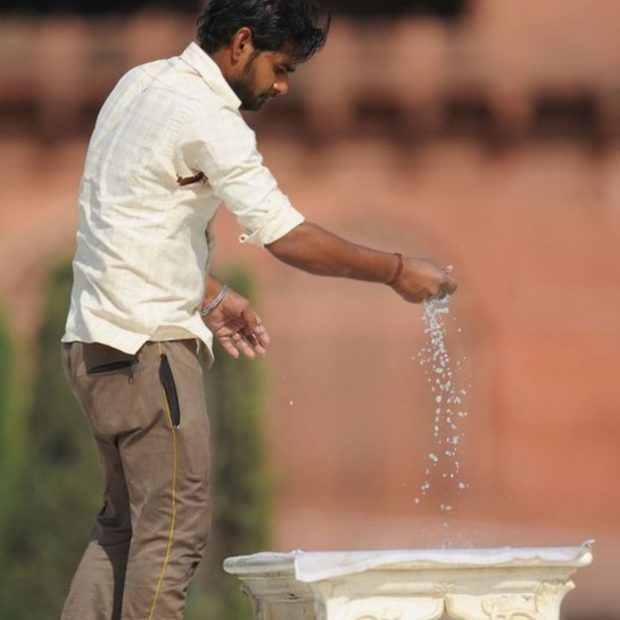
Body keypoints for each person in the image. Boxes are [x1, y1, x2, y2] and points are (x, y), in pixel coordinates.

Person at [59, 1, 457, 618]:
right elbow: (285, 234)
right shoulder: (210, 117)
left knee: (122, 529)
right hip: (151, 353)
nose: (282, 85)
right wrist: (398, 272)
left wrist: (209, 292)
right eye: (280, 67)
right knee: (172, 537)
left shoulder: (139, 83)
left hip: (92, 346)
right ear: (241, 43)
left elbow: (119, 224)